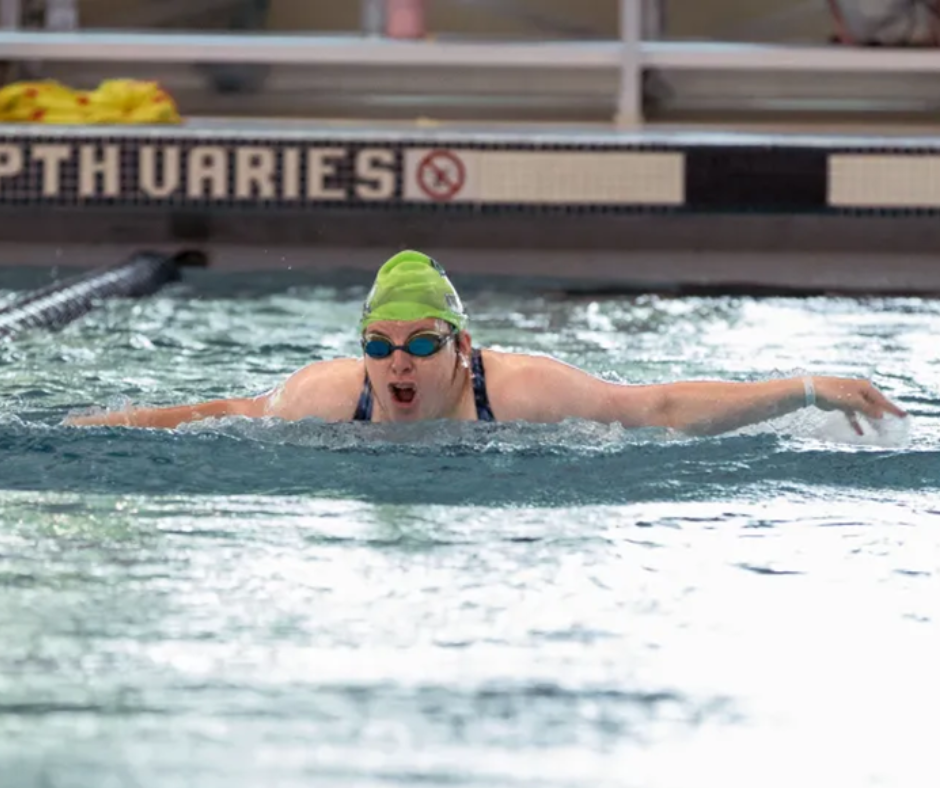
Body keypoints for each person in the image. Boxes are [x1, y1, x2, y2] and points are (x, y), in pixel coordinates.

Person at [65, 250, 908, 436]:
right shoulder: (328, 396)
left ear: (463, 349)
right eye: (379, 346)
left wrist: (804, 387)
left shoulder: (522, 391)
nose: (398, 362)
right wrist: (90, 430)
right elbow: (220, 412)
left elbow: (653, 408)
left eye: (422, 345)